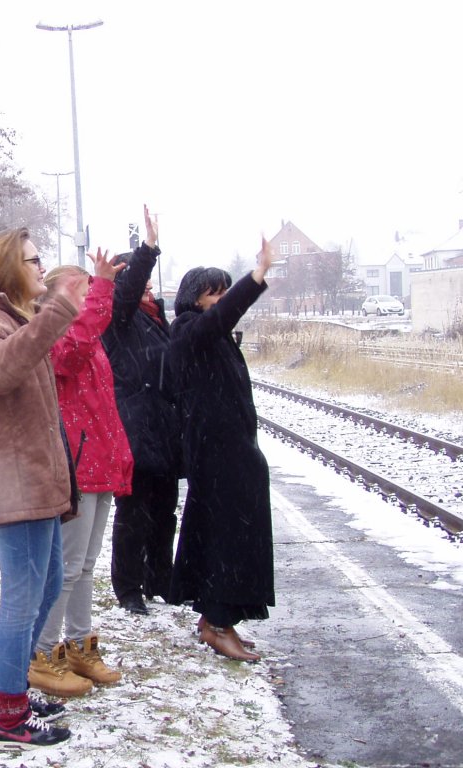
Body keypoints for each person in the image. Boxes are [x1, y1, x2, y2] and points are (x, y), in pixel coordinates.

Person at [0, 227, 85, 750]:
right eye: (31, 261)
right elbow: (3, 369)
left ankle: (16, 691)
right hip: (13, 487)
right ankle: (8, 717)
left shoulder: (13, 319)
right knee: (22, 598)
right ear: (7, 271)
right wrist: (57, 310)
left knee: (47, 587)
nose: (41, 268)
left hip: (32, 481)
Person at [29, 252, 132, 700]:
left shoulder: (85, 334)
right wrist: (103, 292)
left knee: (86, 566)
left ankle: (79, 645)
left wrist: (120, 456)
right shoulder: (54, 337)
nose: (88, 295)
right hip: (77, 463)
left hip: (99, 460)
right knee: (67, 569)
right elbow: (70, 354)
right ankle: (42, 654)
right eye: (79, 288)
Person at [167, 237, 275, 663]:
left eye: (223, 290)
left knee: (224, 533)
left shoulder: (214, 338)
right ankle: (218, 621)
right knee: (227, 537)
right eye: (214, 291)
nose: (222, 299)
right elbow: (222, 316)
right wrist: (256, 277)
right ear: (193, 299)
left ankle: (213, 618)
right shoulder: (190, 331)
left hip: (230, 449)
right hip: (217, 454)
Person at [101, 206, 182, 615]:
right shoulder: (117, 316)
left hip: (162, 428)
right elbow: (126, 292)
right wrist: (147, 249)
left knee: (165, 509)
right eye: (138, 278)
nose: (146, 285)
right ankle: (129, 588)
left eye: (147, 278)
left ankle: (160, 579)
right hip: (133, 427)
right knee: (133, 513)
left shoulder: (155, 316)